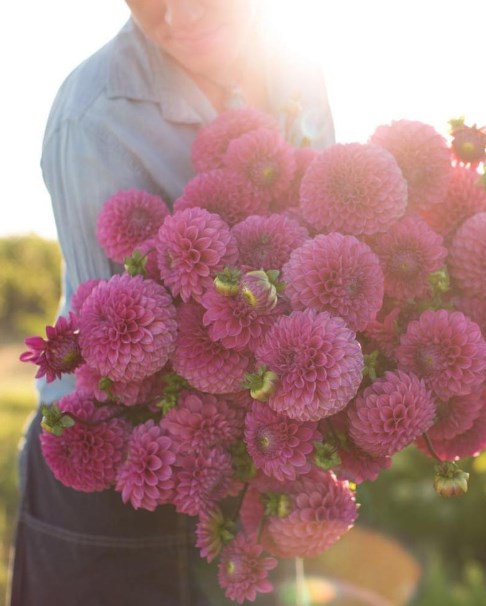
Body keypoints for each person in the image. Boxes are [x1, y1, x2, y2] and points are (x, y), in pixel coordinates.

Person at [7, 1, 334, 604]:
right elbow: (121, 362)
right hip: (117, 470)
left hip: (259, 464)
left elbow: (332, 235)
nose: (175, 13)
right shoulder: (97, 115)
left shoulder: (298, 71)